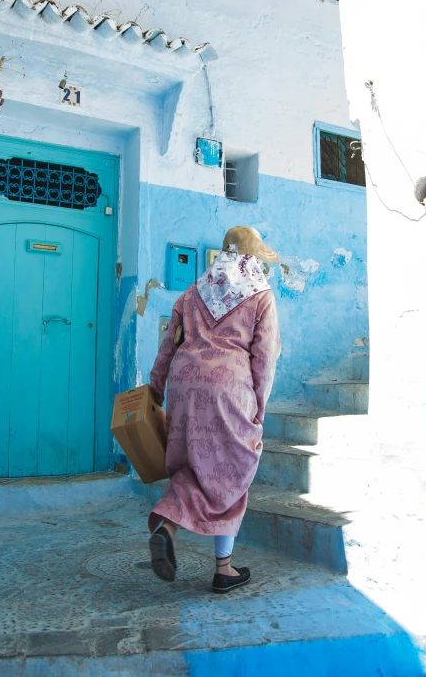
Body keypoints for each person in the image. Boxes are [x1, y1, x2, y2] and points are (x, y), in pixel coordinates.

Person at [148, 226, 281, 594]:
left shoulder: (192, 293)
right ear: (253, 260)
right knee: (231, 470)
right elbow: (265, 358)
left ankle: (168, 527)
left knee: (193, 465)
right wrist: (258, 407)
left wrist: (156, 389)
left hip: (184, 388)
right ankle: (223, 568)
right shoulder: (261, 297)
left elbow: (167, 345)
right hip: (228, 391)